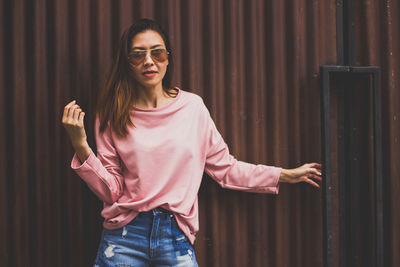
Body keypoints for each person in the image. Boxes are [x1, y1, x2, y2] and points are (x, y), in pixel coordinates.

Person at [62, 18, 322, 267]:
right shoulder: (111, 114)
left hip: (175, 235)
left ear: (168, 58)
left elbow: (226, 170)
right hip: (124, 236)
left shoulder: (192, 108)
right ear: (127, 63)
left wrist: (283, 175)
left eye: (158, 53)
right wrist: (81, 145)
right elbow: (112, 191)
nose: (149, 61)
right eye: (138, 55)